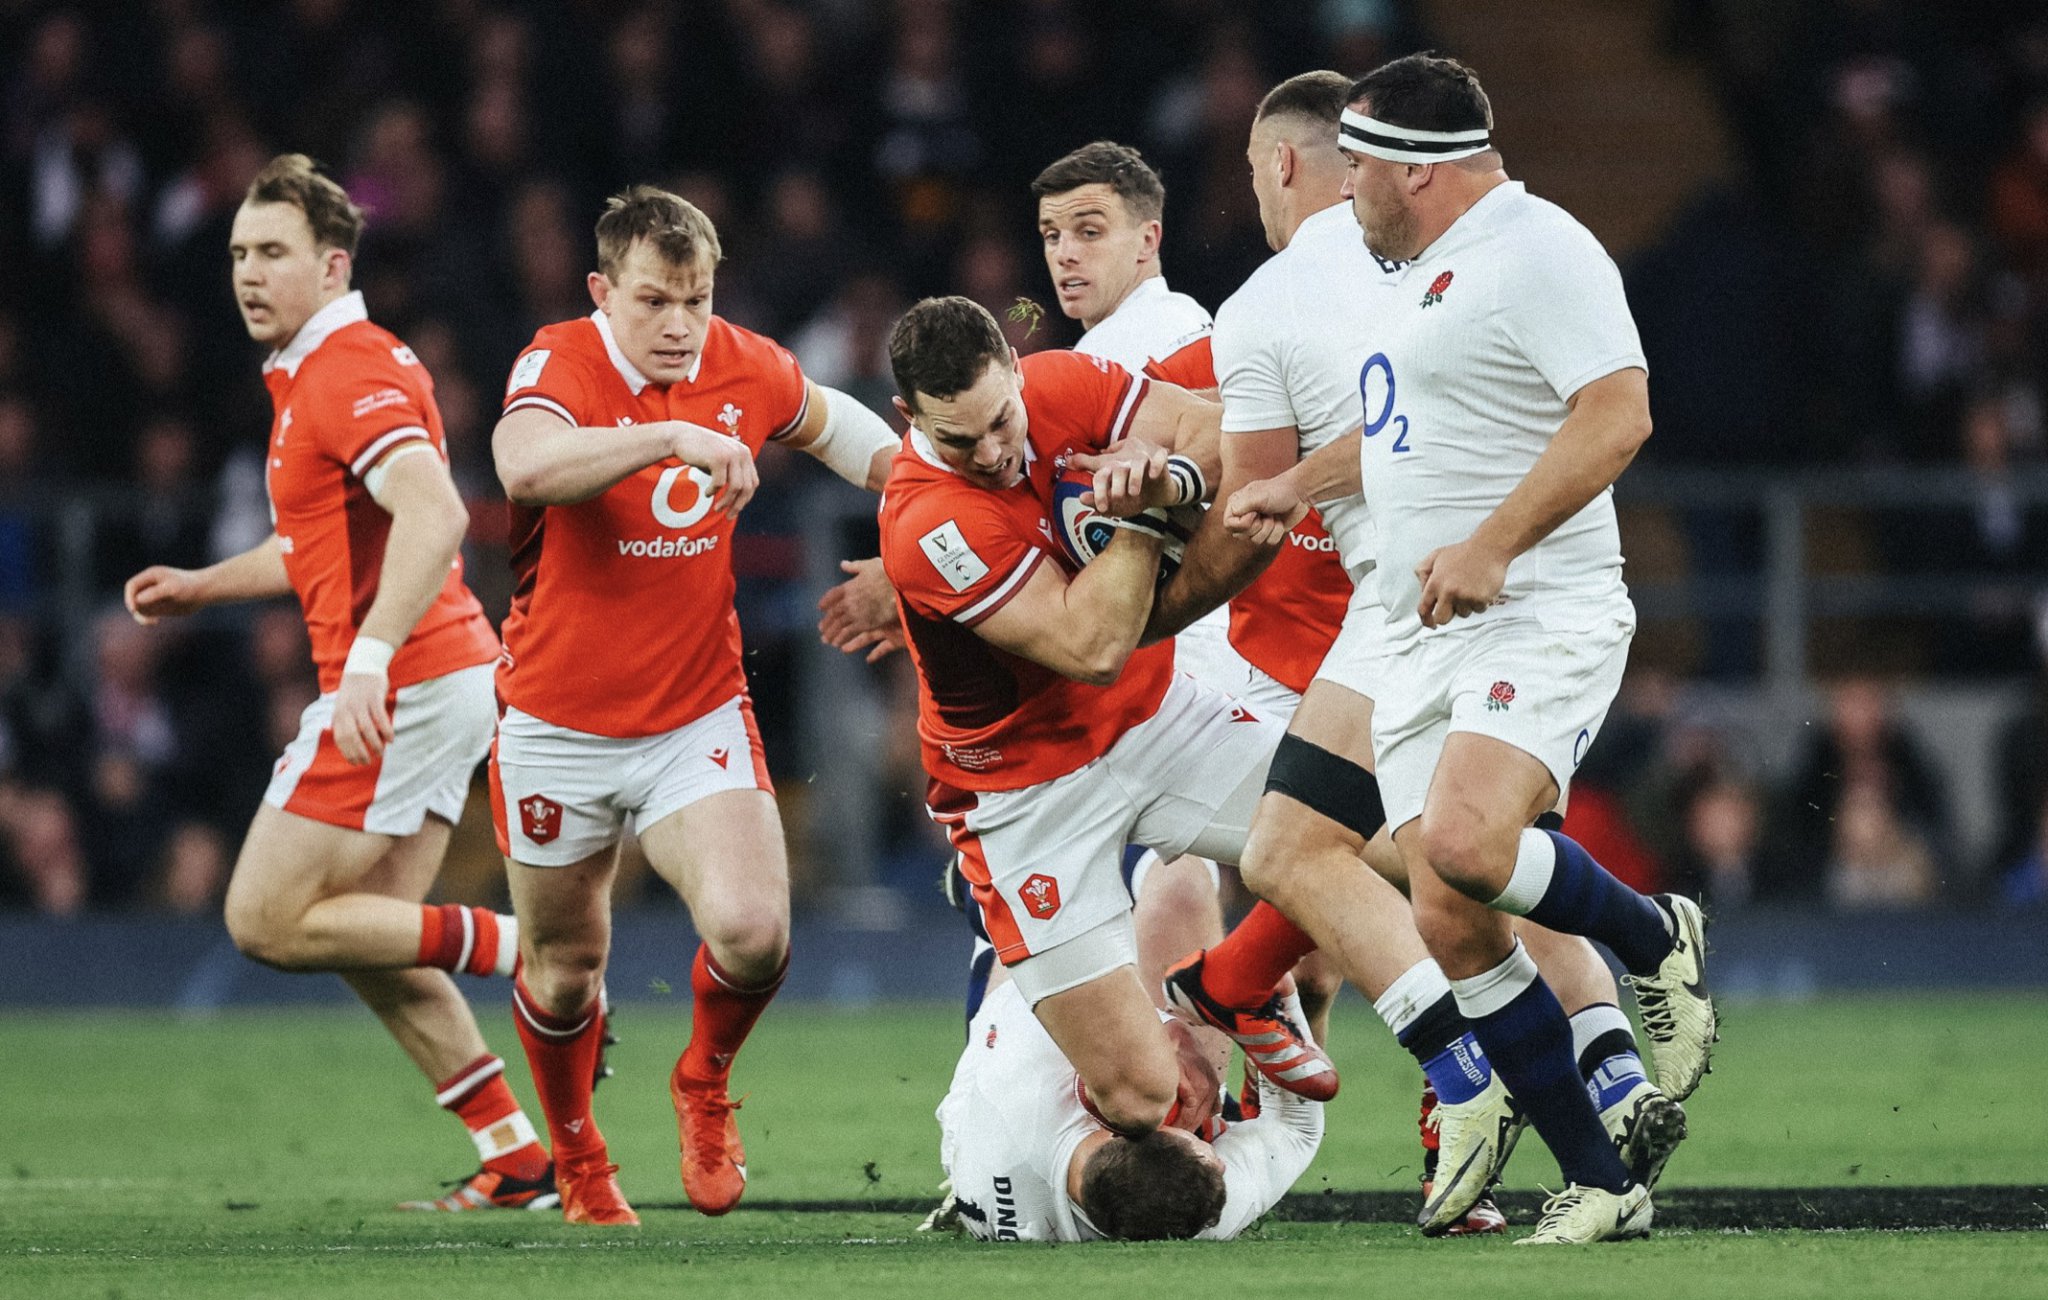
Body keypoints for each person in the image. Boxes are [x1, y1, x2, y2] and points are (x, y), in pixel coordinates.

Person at [1143, 70, 1690, 1233]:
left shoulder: (1530, 250)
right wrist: (1299, 481)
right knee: (1446, 896)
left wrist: (1490, 539)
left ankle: (1608, 971)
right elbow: (1392, 441)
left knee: (1448, 846)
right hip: (1404, 614)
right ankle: (1596, 1156)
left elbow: (1619, 411)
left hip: (1510, 602)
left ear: (1411, 169)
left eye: (1364, 172)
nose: (1347, 193)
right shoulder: (1413, 279)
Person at [123, 154, 551, 1213]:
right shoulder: (322, 369)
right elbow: (320, 547)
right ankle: (518, 1162)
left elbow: (439, 513)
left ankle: (522, 942)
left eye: (270, 252)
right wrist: (203, 589)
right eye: (236, 253)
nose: (246, 274)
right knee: (364, 933)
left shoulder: (346, 368)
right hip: (438, 673)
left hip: (402, 679)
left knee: (265, 919)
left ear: (332, 264)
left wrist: (365, 660)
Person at [490, 185, 900, 1225]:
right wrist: (664, 439)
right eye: (652, 301)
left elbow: (856, 439)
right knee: (566, 967)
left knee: (755, 930)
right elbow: (524, 464)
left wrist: (919, 511)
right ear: (601, 293)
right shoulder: (560, 361)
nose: (677, 326)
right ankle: (580, 1158)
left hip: (692, 713)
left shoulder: (741, 362)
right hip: (554, 723)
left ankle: (703, 1083)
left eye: (695, 300)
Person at [878, 294, 1335, 1145]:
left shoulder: (1064, 379)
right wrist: (1138, 507)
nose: (990, 452)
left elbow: (1218, 429)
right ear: (910, 418)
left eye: (1000, 420)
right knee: (1143, 1101)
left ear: (1016, 373)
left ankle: (1232, 980)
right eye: (958, 438)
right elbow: (1090, 646)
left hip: (1157, 719)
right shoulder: (923, 521)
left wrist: (1173, 469)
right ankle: (1030, 1064)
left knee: (1365, 824)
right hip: (1023, 797)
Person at [938, 960, 1322, 1242]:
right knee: (1182, 1086)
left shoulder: (1029, 1071)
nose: (1220, 1165)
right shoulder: (1195, 1217)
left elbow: (1048, 961)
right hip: (998, 1173)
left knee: (1174, 897)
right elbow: (1296, 1128)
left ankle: (978, 897)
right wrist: (1279, 1010)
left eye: (1204, 1151)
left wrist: (1168, 1028)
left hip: (1005, 1029)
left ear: (1123, 1131)